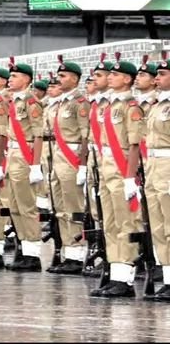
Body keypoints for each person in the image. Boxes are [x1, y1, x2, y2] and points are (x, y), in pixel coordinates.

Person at [89, 58, 143, 298]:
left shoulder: (131, 107)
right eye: (109, 74)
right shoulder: (108, 105)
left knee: (126, 223)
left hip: (122, 167)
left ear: (127, 79)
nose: (110, 77)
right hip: (106, 167)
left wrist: (130, 177)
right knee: (110, 223)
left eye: (115, 75)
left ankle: (126, 278)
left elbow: (134, 145)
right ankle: (115, 275)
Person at [43, 58, 90, 274]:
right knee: (61, 209)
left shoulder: (80, 103)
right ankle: (68, 251)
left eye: (63, 76)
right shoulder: (60, 102)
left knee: (74, 208)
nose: (59, 79)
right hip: (57, 158)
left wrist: (82, 165)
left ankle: (77, 254)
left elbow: (85, 136)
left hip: (72, 158)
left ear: (75, 79)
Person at [0, 59, 45, 272]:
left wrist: (35, 165)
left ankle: (33, 254)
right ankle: (24, 248)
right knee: (15, 207)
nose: (10, 79)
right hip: (12, 155)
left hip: (24, 155)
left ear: (26, 79)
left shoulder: (30, 101)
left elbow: (38, 135)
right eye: (10, 76)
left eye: (15, 76)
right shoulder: (12, 101)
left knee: (26, 206)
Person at [144, 54, 170, 301]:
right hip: (153, 166)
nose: (157, 78)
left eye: (162, 74)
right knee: (159, 227)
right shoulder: (157, 104)